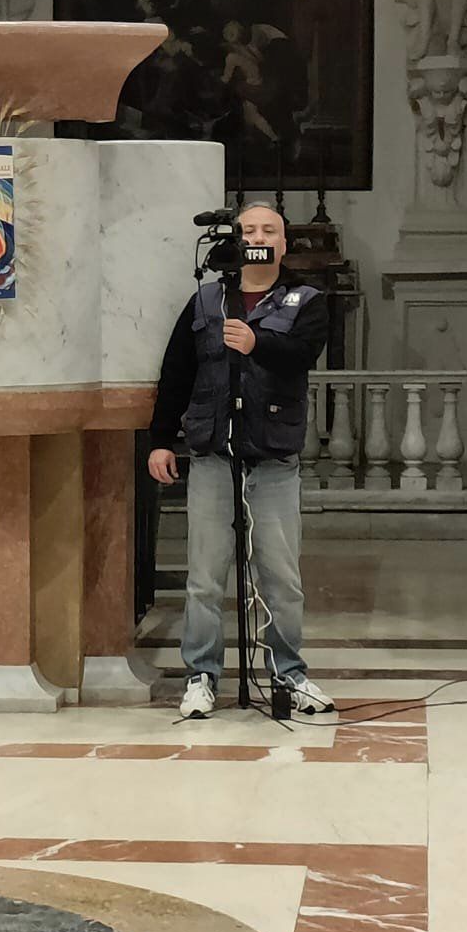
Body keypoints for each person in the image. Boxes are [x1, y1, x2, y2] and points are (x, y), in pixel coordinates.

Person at [146, 202, 334, 720]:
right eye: (248, 229)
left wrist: (258, 342)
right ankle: (201, 676)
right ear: (234, 239)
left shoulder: (306, 299)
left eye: (268, 230)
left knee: (280, 576)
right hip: (212, 456)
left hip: (272, 458)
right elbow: (176, 372)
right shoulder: (207, 301)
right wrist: (162, 439)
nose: (258, 237)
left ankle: (289, 676)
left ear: (283, 243)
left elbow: (303, 353)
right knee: (205, 578)